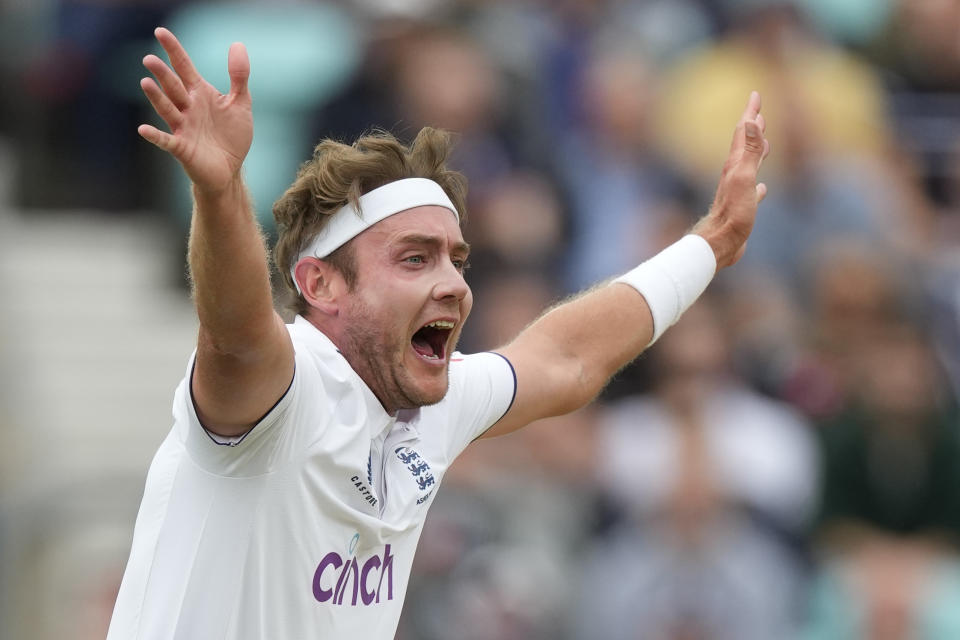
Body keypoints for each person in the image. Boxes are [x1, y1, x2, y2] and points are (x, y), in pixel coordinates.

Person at [106, 27, 770, 639]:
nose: (453, 283)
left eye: (458, 258)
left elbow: (568, 358)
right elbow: (236, 336)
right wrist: (221, 195)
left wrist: (713, 241)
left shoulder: (430, 401)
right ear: (320, 285)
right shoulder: (289, 388)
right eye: (415, 258)